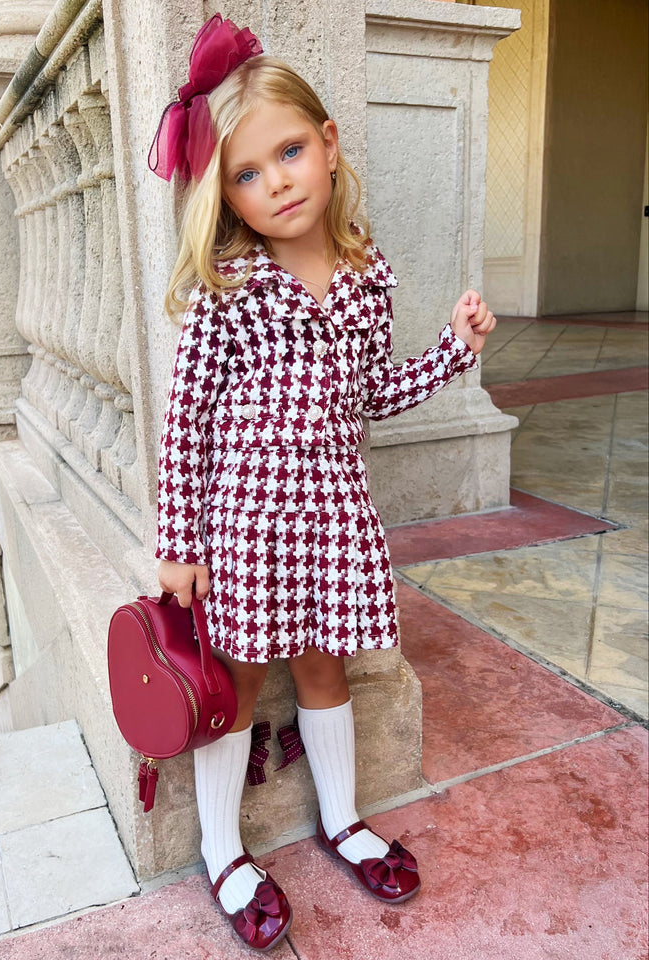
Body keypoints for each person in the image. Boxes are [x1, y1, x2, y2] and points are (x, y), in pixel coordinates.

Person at [150, 14, 496, 952]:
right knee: (237, 677)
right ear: (223, 194)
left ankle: (341, 818)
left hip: (335, 520)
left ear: (330, 146)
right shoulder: (229, 286)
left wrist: (453, 352)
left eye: (290, 152)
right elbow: (187, 425)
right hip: (247, 531)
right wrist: (180, 543)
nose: (276, 183)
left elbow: (374, 389)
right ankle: (223, 847)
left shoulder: (363, 274)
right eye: (247, 174)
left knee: (323, 667)